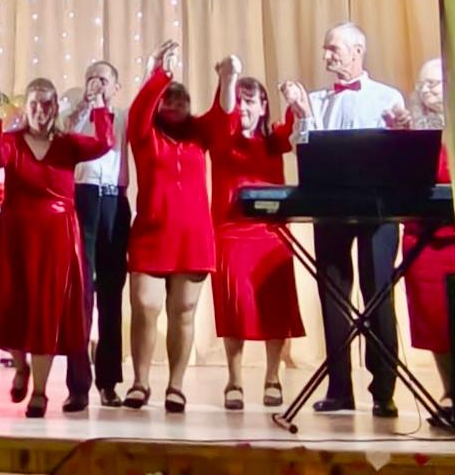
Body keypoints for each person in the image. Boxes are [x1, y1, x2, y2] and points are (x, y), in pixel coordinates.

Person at [279, 21, 408, 417]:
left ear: (357, 51)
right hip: (330, 208)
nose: (326, 55)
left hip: (378, 210)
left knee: (377, 294)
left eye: (333, 48)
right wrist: (303, 115)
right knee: (333, 297)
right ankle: (339, 389)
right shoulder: (316, 101)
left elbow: (400, 154)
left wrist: (400, 132)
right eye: (325, 48)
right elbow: (303, 152)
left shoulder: (387, 96)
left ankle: (383, 390)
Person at [0, 78, 114, 418]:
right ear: (26, 107)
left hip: (56, 237)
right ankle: (20, 365)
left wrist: (98, 104)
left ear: (55, 107)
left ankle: (39, 391)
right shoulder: (13, 140)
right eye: (35, 103)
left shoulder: (67, 144)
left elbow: (104, 143)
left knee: (45, 310)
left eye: (47, 103)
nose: (40, 110)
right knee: (11, 304)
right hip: (15, 235)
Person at [124, 40, 217, 414]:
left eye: (182, 100)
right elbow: (139, 110)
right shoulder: (144, 135)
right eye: (169, 99)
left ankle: (176, 386)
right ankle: (140, 381)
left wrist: (227, 79)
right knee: (145, 306)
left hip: (193, 237)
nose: (175, 105)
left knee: (184, 311)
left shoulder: (200, 136)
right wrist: (159, 74)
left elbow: (222, 117)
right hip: (151, 233)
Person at [208, 55, 305, 410]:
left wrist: (296, 100)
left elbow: (298, 127)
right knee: (234, 307)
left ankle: (272, 376)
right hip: (231, 232)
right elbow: (222, 108)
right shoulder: (222, 137)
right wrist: (227, 79)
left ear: (264, 106)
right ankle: (234, 379)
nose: (245, 107)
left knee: (274, 306)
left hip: (271, 233)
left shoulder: (274, 139)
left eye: (251, 101)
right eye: (240, 101)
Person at [61, 61, 130, 411]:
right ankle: (77, 384)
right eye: (91, 78)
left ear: (116, 86)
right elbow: (64, 132)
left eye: (104, 79)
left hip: (115, 200)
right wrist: (85, 104)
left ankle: (109, 381)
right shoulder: (73, 110)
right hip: (83, 196)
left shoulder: (124, 117)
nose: (97, 84)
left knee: (111, 295)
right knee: (80, 294)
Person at [396, 58, 455, 414]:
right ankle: (450, 391)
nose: (427, 90)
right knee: (433, 318)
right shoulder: (413, 130)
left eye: (434, 83)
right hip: (422, 238)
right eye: (423, 85)